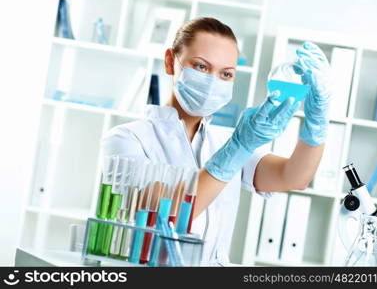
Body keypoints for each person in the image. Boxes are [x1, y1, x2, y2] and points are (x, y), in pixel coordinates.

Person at [102, 17, 331, 266]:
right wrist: (238, 149)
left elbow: (293, 177)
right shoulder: (127, 139)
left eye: (226, 74)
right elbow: (168, 217)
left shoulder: (225, 141)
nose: (213, 81)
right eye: (201, 67)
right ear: (170, 61)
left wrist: (317, 120)